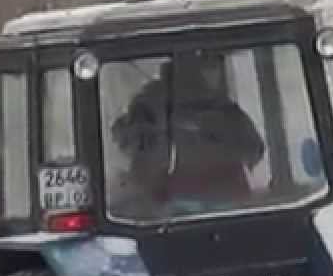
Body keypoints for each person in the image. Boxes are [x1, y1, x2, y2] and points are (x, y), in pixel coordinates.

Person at [110, 52, 266, 218]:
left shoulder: (226, 110)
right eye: (208, 65)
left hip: (224, 201)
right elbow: (128, 139)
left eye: (215, 65)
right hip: (169, 204)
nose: (214, 73)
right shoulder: (150, 104)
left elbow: (254, 149)